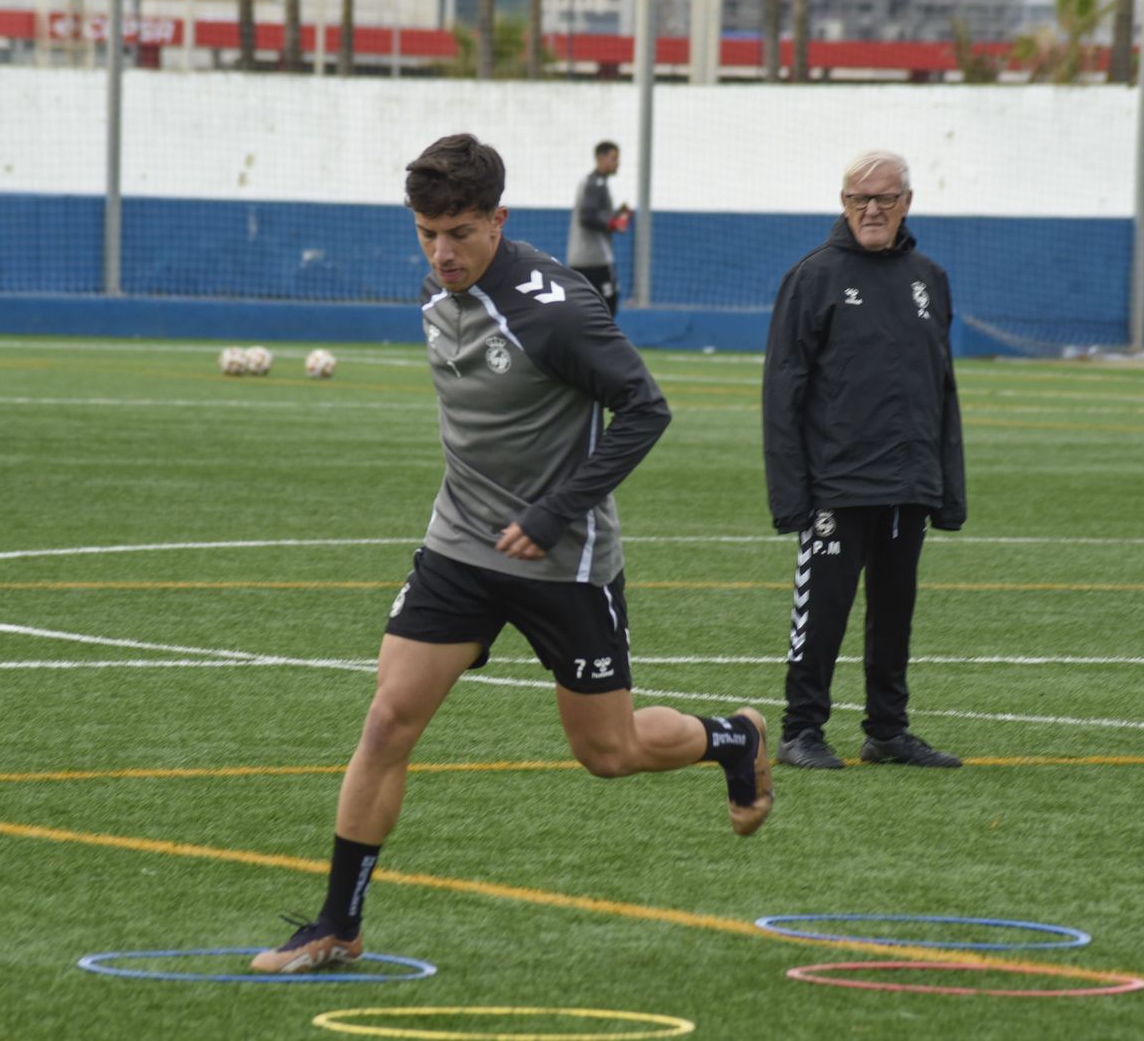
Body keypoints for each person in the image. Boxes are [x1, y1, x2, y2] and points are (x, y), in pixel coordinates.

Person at [250, 133, 772, 975]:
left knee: (607, 754)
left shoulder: (556, 311)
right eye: (426, 234)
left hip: (563, 559)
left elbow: (645, 408)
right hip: (459, 544)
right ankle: (336, 925)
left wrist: (554, 510)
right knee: (387, 720)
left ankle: (733, 740)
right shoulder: (437, 284)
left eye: (460, 232)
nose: (442, 253)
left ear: (499, 219)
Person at [761, 149, 966, 772]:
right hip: (837, 485)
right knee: (823, 613)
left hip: (909, 484)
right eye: (859, 198)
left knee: (895, 613)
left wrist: (946, 488)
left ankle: (887, 731)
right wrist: (791, 495)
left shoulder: (929, 279)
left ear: (907, 203)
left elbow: (942, 389)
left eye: (884, 198)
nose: (872, 209)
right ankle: (802, 730)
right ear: (843, 203)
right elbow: (782, 391)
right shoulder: (813, 277)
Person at [568, 140, 631, 315]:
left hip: (581, 259)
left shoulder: (592, 182)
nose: (617, 163)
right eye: (613, 158)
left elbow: (595, 215)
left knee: (586, 311)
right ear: (600, 158)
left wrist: (616, 215)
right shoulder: (597, 184)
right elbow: (587, 217)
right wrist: (614, 224)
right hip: (595, 260)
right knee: (608, 307)